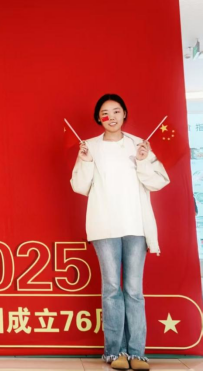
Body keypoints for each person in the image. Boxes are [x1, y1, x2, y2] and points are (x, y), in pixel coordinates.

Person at [70, 94, 170, 371]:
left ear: (125, 113)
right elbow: (79, 186)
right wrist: (85, 161)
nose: (111, 116)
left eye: (116, 111)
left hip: (136, 226)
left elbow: (159, 181)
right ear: (98, 117)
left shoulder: (139, 144)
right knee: (112, 288)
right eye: (105, 112)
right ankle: (114, 352)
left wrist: (143, 161)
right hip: (104, 226)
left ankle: (137, 353)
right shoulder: (89, 147)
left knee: (134, 290)